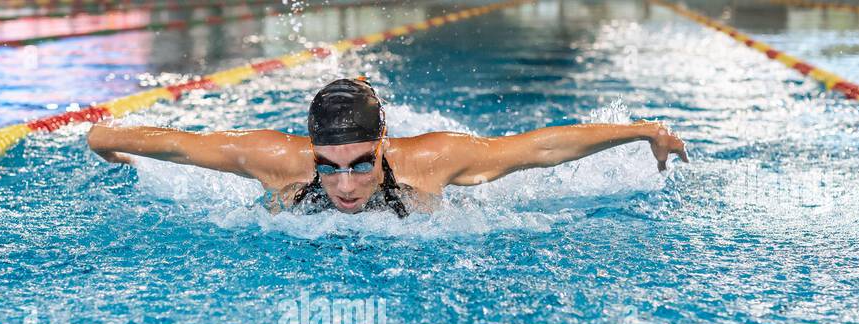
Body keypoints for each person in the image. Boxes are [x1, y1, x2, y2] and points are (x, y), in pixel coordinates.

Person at [87, 77, 688, 217]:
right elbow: (173, 145)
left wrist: (643, 130)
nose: (345, 186)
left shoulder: (433, 160)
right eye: (329, 169)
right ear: (311, 153)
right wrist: (108, 144)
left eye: (361, 167)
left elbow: (536, 150)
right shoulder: (275, 160)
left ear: (383, 146)